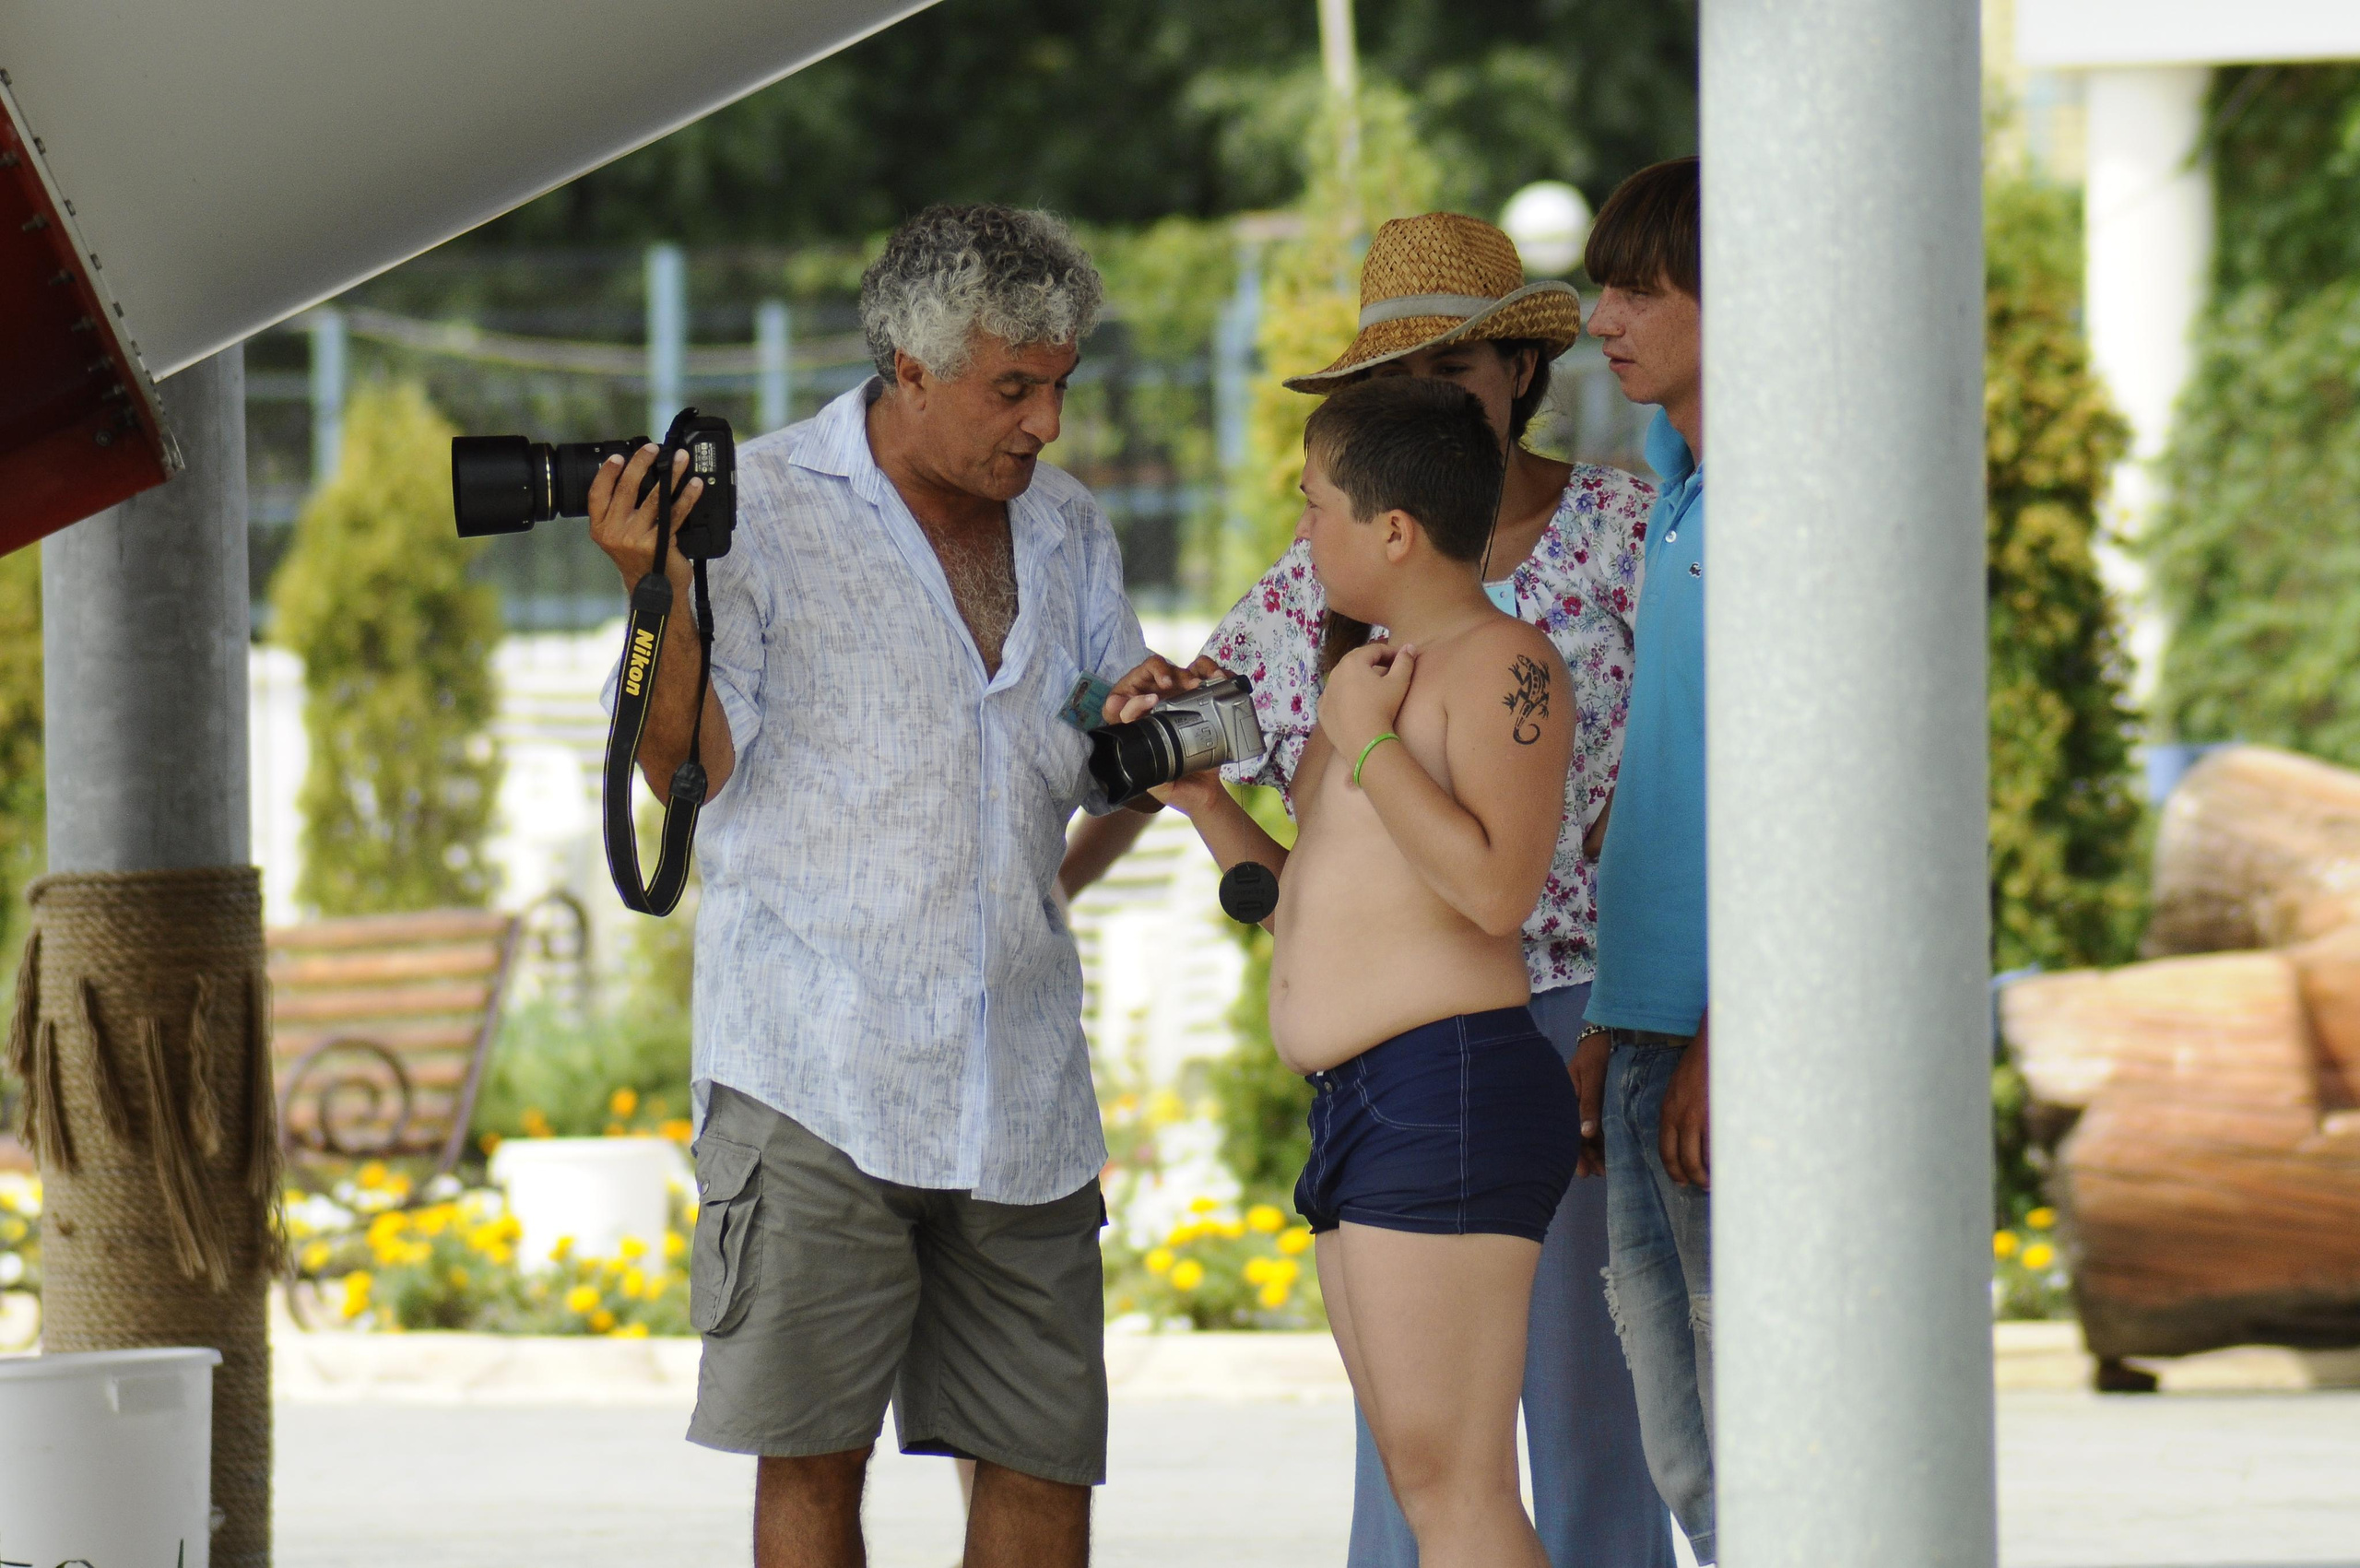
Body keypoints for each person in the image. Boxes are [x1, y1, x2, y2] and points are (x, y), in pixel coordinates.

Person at [1071, 210, 1668, 1567]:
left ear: (1519, 374)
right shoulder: (1315, 588)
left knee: (1585, 1424)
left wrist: (1659, 1022)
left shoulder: (1624, 536)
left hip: (1588, 1013)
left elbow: (1680, 791)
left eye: (1450, 379)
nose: (1427, 411)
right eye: (1393, 391)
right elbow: (1172, 745)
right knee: (1416, 1455)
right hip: (1394, 1055)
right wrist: (1065, 864)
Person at [586, 204, 1149, 1568]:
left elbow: (1107, 765)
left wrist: (1136, 745)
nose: (1048, 425)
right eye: (1014, 387)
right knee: (814, 1468)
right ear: (909, 366)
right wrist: (654, 596)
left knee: (1044, 1467)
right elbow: (683, 771)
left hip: (1022, 1092)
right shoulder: (755, 509)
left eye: (1061, 385)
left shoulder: (1071, 530)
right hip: (813, 1078)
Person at [1127, 374, 1580, 1567]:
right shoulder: (1368, 680)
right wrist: (1207, 803)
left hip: (1452, 1087)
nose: (1301, 532)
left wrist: (1367, 741)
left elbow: (1495, 890)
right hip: (1366, 1104)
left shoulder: (1501, 661)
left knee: (1460, 1486)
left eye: (1316, 505)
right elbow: (1311, 907)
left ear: (1394, 529)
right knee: (1424, 1479)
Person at [1574, 156, 1715, 1565]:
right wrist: (1619, 1016)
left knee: (1757, 1446)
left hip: (1722, 1053)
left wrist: (1733, 1033)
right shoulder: (1678, 490)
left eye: (1638, 289)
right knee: (1686, 1455)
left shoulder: (1778, 514)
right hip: (1647, 1039)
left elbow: (1793, 794)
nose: (1601, 318)